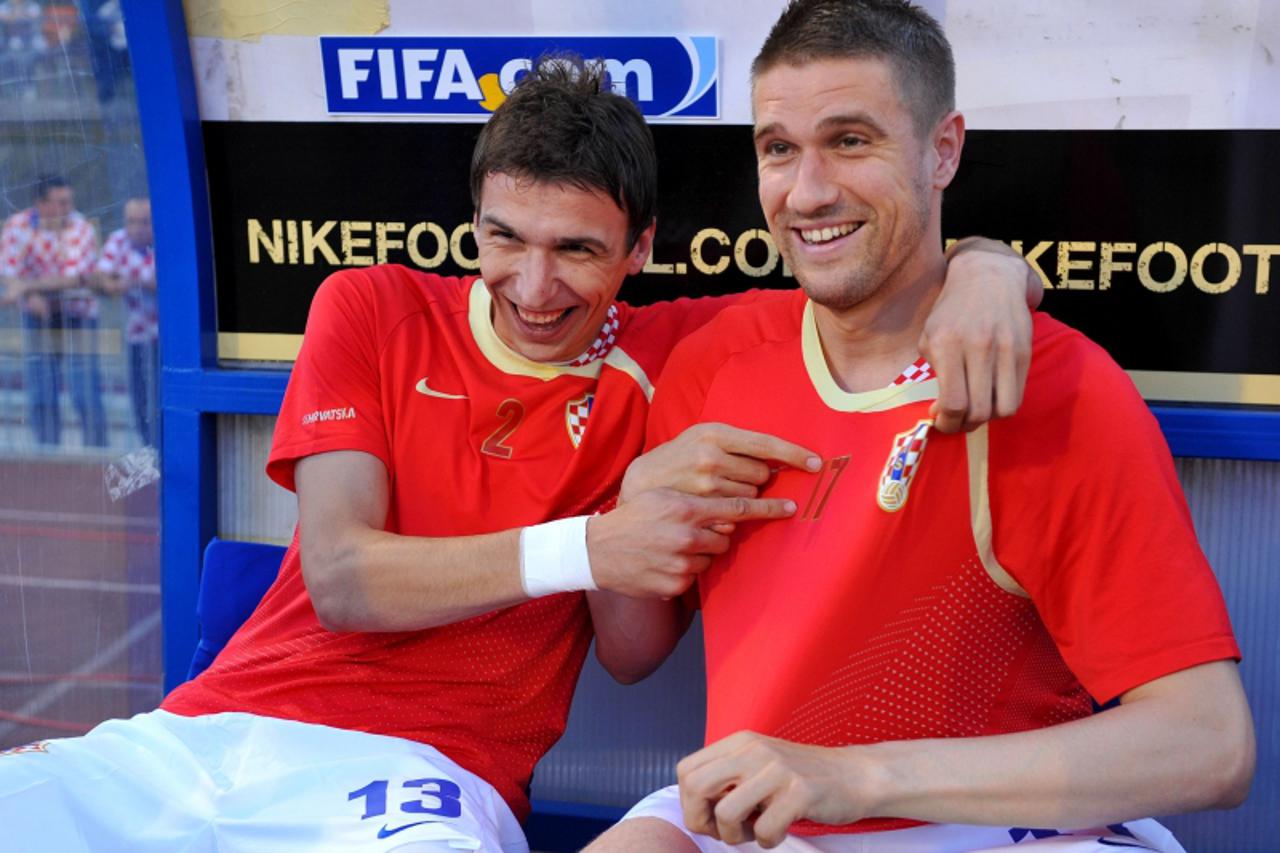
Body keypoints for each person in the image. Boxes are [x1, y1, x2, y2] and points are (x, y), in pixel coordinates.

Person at [0, 57, 1040, 852]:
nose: (534, 285)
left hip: (426, 777)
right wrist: (595, 542)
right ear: (476, 221)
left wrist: (988, 272)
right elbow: (345, 576)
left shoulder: (673, 351)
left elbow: (882, 281)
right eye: (505, 239)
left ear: (639, 250)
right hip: (206, 732)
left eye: (577, 249)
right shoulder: (371, 303)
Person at [585, 3, 1255, 852]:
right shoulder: (716, 356)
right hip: (760, 818)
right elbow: (630, 650)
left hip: (996, 825)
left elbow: (1211, 744)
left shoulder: (1058, 384)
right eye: (779, 149)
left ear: (943, 150)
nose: (808, 189)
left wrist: (854, 774)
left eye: (851, 141)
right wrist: (624, 525)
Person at [0, 174, 106, 448]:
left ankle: (97, 458)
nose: (67, 208)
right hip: (38, 315)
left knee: (84, 389)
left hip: (78, 315)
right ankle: (47, 455)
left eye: (69, 201)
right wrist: (31, 295)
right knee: (41, 390)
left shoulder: (80, 227)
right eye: (60, 202)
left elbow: (73, 278)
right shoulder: (17, 226)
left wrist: (26, 288)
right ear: (41, 204)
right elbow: (7, 271)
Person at [98, 197, 158, 446]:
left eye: (144, 222)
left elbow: (163, 284)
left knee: (160, 395)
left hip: (167, 339)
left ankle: (161, 446)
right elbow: (101, 278)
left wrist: (130, 282)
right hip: (136, 333)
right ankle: (148, 448)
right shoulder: (118, 240)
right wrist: (115, 284)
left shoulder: (165, 241)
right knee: (140, 397)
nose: (137, 228)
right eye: (131, 221)